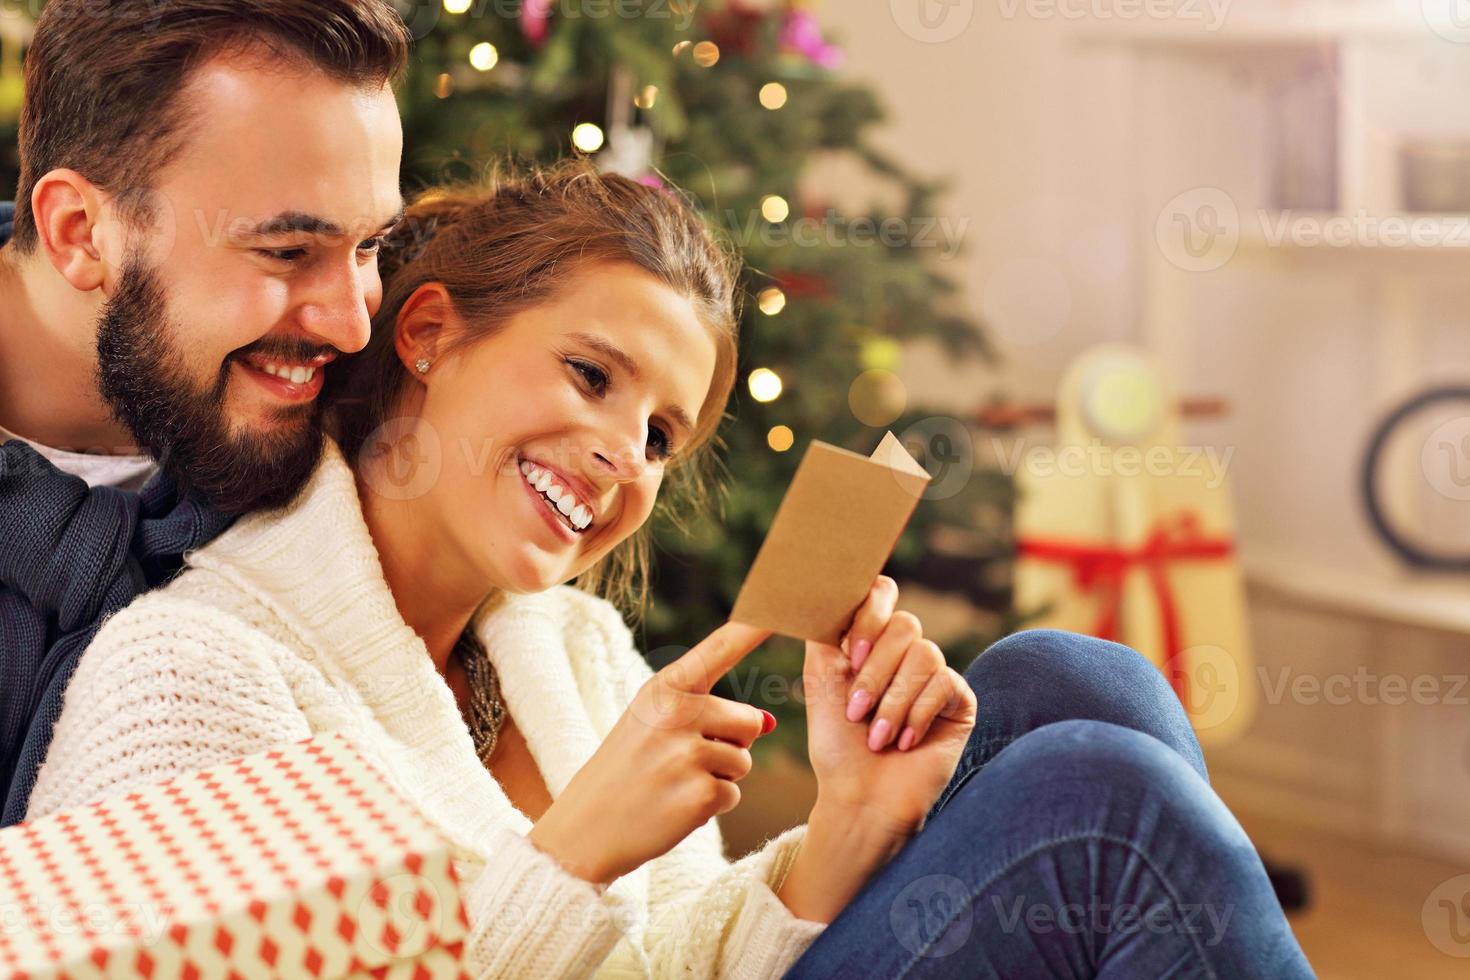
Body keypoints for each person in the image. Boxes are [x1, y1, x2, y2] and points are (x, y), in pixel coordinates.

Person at [24, 161, 1313, 978]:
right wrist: (571, 853)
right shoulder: (193, 666)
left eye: (658, 435)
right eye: (589, 374)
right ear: (428, 333)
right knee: (1103, 805)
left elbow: (683, 962)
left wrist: (854, 820)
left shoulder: (571, 651)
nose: (617, 456)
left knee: (1067, 678)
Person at [0, 0, 411, 826]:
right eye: (288, 252)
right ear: (83, 233)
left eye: (367, 247)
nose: (353, 324)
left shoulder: (367, 442)